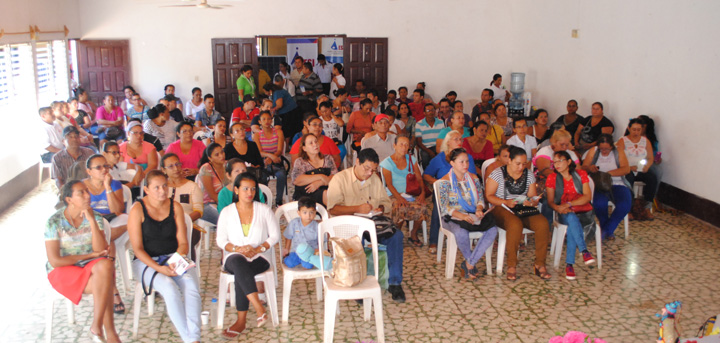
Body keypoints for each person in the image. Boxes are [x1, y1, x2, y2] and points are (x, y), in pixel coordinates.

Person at [128, 170, 201, 343]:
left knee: (191, 286)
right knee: (169, 288)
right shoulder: (137, 210)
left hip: (173, 256)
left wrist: (175, 261)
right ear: (146, 189)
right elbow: (138, 249)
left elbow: (183, 243)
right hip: (145, 261)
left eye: (165, 186)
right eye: (156, 187)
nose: (162, 191)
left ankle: (195, 337)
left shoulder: (174, 207)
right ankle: (190, 339)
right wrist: (160, 269)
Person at [45, 181, 121, 343]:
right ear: (69, 200)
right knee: (105, 282)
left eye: (87, 191)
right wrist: (89, 256)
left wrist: (92, 220)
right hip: (63, 270)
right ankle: (111, 333)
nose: (88, 195)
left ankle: (96, 326)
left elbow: (101, 249)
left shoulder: (96, 217)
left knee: (106, 265)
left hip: (90, 266)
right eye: (81, 193)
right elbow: (55, 261)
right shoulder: (54, 222)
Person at [327, 149, 406, 303]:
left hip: (372, 223)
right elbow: (333, 209)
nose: (370, 173)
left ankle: (395, 282)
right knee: (357, 241)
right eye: (367, 168)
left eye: (373, 170)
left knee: (396, 236)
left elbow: (386, 203)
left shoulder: (374, 179)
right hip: (348, 226)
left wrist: (380, 209)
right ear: (357, 162)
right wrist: (357, 209)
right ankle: (358, 284)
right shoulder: (339, 179)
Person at [216, 172, 278, 339]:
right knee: (238, 262)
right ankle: (258, 306)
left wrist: (258, 249)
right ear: (236, 190)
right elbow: (220, 240)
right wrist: (237, 248)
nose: (249, 192)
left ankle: (241, 321)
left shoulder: (264, 210)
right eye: (245, 189)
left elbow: (274, 236)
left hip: (260, 257)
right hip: (234, 256)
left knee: (241, 271)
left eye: (252, 189)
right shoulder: (227, 212)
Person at [485, 146, 550, 280]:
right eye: (518, 163)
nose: (521, 167)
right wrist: (505, 201)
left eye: (524, 164)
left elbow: (532, 196)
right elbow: (489, 196)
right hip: (501, 207)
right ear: (509, 160)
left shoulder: (528, 175)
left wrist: (531, 202)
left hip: (521, 208)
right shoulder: (498, 174)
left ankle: (540, 263)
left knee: (543, 224)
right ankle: (512, 265)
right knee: (515, 224)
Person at [436, 148, 498, 279]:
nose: (465, 165)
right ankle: (471, 264)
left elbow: (480, 199)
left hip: (472, 214)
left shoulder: (474, 178)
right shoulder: (444, 182)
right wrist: (463, 216)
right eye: (461, 162)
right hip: (454, 217)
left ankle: (469, 263)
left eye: (467, 161)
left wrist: (479, 209)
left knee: (492, 230)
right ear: (452, 163)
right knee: (461, 233)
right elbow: (445, 207)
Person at [82, 154, 129, 314]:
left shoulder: (114, 184)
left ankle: (112, 289)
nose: (104, 170)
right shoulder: (81, 188)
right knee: (108, 241)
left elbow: (117, 209)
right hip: (92, 224)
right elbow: (80, 213)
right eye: (98, 167)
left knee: (123, 222)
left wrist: (108, 187)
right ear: (89, 171)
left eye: (105, 166)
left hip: (112, 220)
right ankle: (114, 290)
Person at [423, 131, 479, 254]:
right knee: (439, 205)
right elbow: (426, 175)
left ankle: (473, 231)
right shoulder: (439, 158)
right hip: (445, 191)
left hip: (464, 191)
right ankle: (434, 240)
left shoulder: (467, 158)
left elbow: (473, 177)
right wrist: (439, 183)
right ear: (448, 142)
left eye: (461, 139)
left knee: (476, 200)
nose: (460, 142)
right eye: (456, 139)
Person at [545, 151, 596, 280]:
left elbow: (587, 197)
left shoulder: (580, 174)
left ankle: (570, 265)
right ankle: (584, 252)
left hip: (583, 211)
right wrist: (558, 208)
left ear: (568, 162)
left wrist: (569, 204)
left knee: (573, 222)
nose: (557, 164)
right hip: (563, 212)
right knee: (571, 218)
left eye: (560, 161)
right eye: (554, 162)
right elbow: (551, 201)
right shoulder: (552, 178)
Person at [380, 135, 430, 247]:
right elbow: (389, 184)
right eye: (401, 144)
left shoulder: (411, 159)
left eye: (406, 145)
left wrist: (422, 193)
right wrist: (399, 197)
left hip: (410, 193)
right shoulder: (387, 163)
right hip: (393, 194)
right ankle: (396, 234)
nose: (404, 147)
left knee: (422, 207)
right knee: (399, 207)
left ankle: (413, 233)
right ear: (395, 146)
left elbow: (418, 177)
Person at [581, 134, 632, 241]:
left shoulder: (618, 151)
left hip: (617, 183)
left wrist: (608, 174)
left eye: (607, 149)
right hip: (598, 184)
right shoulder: (593, 151)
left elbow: (626, 169)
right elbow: (583, 168)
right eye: (602, 149)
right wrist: (590, 168)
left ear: (612, 147)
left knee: (625, 204)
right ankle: (607, 231)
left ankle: (607, 230)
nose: (604, 151)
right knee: (599, 203)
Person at [160, 153, 204, 261]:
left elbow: (198, 211)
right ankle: (164, 267)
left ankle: (187, 270)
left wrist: (183, 221)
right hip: (164, 226)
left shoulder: (192, 186)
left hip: (188, 225)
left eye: (177, 164)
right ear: (163, 170)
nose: (176, 168)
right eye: (171, 166)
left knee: (186, 237)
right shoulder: (161, 188)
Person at [617, 118, 657, 217]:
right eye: (634, 129)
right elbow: (618, 158)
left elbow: (650, 157)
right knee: (628, 180)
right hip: (627, 169)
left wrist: (647, 166)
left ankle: (647, 207)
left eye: (638, 130)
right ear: (629, 129)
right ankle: (628, 209)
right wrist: (629, 167)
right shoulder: (623, 141)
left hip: (640, 168)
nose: (636, 132)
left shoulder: (645, 141)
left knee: (652, 179)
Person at [291, 133, 338, 206]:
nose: (315, 144)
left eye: (316, 142)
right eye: (311, 143)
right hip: (306, 196)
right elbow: (296, 180)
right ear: (304, 148)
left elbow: (335, 176)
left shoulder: (328, 158)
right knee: (326, 194)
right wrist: (321, 176)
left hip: (327, 191)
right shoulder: (301, 162)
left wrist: (320, 183)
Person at [253, 111, 287, 207]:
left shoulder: (279, 132)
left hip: (276, 161)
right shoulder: (257, 135)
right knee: (261, 176)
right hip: (264, 161)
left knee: (281, 175)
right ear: (260, 121)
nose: (267, 121)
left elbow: (280, 150)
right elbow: (259, 152)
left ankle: (279, 200)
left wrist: (272, 158)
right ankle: (265, 199)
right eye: (264, 119)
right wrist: (270, 156)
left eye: (269, 119)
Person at [197, 143, 227, 225]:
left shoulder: (227, 165)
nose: (221, 156)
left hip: (225, 202)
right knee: (226, 219)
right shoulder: (206, 169)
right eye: (217, 155)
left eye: (222, 152)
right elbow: (211, 195)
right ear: (210, 158)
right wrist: (227, 205)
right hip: (207, 204)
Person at [263, 82, 300, 147]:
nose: (265, 93)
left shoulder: (277, 93)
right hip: (287, 112)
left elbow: (279, 105)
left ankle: (287, 146)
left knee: (287, 129)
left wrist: (273, 109)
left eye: (265, 91)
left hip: (289, 112)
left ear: (270, 90)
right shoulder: (276, 93)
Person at [415, 102, 445, 169]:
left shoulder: (441, 122)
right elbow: (419, 142)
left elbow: (443, 138)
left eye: (432, 110)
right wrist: (430, 152)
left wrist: (439, 149)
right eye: (428, 111)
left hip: (438, 146)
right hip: (426, 147)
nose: (431, 112)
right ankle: (426, 175)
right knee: (425, 156)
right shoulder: (419, 124)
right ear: (424, 113)